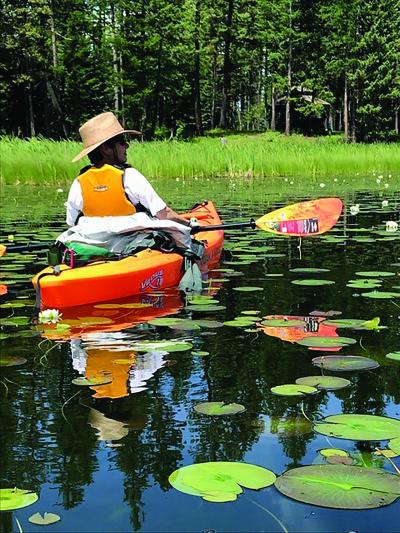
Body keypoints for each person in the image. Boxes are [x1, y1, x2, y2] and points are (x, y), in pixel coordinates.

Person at [66, 112, 190, 227]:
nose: (127, 145)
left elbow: (72, 222)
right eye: (121, 141)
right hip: (134, 245)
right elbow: (164, 214)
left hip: (95, 245)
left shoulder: (79, 183)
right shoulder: (129, 176)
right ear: (106, 149)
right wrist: (188, 224)